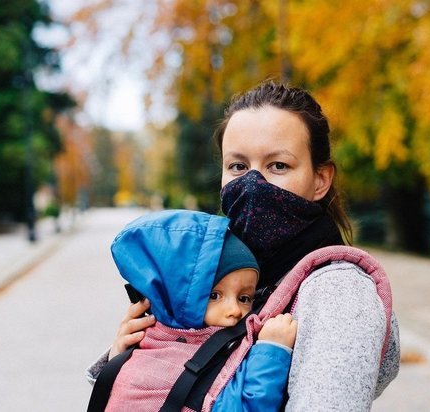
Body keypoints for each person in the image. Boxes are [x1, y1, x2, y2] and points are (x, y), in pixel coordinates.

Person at [89, 81, 400, 410]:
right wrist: (130, 357)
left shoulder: (339, 292)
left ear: (320, 179)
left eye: (278, 165)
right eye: (238, 166)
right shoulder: (221, 268)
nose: (253, 184)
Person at [91, 209, 297, 411]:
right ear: (176, 296)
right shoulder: (155, 362)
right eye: (214, 295)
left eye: (244, 298)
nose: (235, 310)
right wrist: (272, 350)